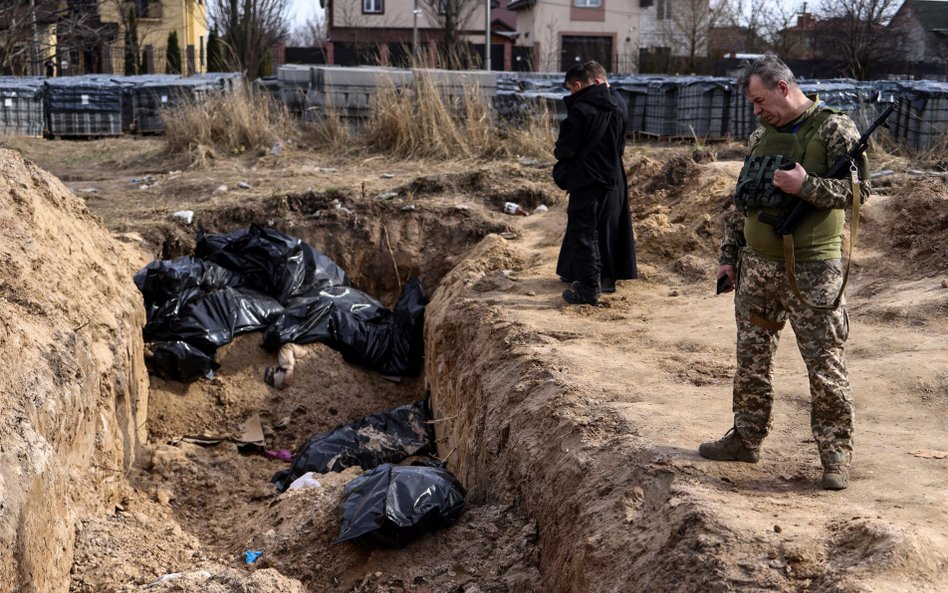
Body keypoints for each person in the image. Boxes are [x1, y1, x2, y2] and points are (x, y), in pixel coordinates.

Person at [698, 53, 870, 491]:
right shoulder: (761, 136)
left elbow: (859, 193)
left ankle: (835, 455)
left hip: (813, 270)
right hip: (756, 269)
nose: (757, 111)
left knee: (824, 363)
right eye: (753, 104)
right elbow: (744, 201)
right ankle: (746, 438)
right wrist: (728, 256)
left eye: (759, 100)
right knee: (751, 361)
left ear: (783, 87)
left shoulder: (835, 128)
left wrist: (806, 186)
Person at [556, 61, 638, 292]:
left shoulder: (589, 107)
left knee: (591, 228)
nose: (572, 93)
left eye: (573, 88)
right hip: (612, 171)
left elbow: (568, 146)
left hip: (592, 172)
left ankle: (597, 280)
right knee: (601, 226)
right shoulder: (618, 101)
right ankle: (583, 274)